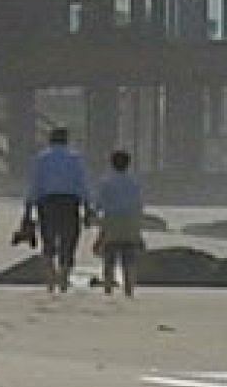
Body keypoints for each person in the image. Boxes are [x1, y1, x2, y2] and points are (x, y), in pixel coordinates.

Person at [23, 126, 89, 293]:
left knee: (48, 241)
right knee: (69, 241)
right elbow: (82, 184)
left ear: (50, 139)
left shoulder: (41, 158)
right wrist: (88, 207)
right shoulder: (75, 158)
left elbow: (35, 185)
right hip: (70, 202)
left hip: (47, 202)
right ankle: (64, 279)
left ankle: (51, 281)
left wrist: (27, 210)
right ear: (66, 140)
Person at [93, 149, 145, 297]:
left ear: (112, 164)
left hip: (112, 219)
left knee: (109, 257)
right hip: (129, 220)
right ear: (128, 164)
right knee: (128, 258)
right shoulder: (134, 183)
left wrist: (93, 218)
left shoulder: (106, 182)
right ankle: (129, 290)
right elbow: (138, 205)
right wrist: (138, 229)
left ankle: (108, 289)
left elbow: (99, 204)